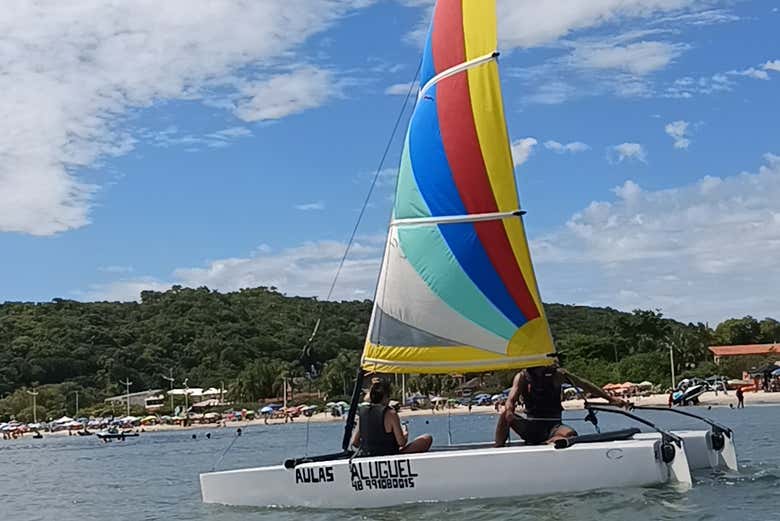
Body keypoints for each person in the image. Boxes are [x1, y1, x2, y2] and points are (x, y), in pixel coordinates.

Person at [495, 363, 629, 447]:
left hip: (554, 426)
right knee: (505, 415)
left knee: (571, 434)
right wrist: (509, 409)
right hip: (530, 426)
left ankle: (551, 441)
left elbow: (584, 384)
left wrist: (610, 399)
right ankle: (498, 448)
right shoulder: (523, 377)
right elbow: (511, 399)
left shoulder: (557, 375)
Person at [352, 378, 432, 456]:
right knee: (427, 438)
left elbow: (354, 442)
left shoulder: (362, 412)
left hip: (368, 455)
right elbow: (401, 442)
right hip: (389, 455)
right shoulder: (390, 413)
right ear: (385, 396)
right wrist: (405, 434)